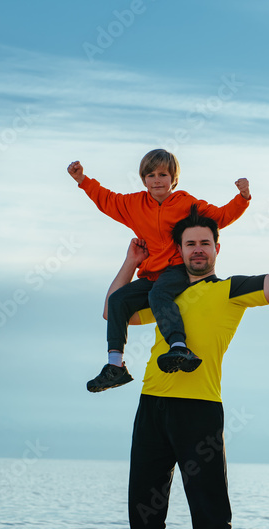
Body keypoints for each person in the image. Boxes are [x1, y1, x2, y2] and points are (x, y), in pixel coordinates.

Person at [96, 205, 269, 529]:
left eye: (205, 243)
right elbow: (112, 311)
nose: (198, 250)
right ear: (179, 249)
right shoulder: (162, 295)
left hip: (200, 411)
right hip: (152, 404)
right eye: (190, 243)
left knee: (210, 508)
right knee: (144, 505)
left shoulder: (231, 289)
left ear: (217, 248)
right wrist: (131, 263)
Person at [67, 149, 250, 393]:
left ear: (173, 179)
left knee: (159, 294)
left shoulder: (187, 203)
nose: (156, 180)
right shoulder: (134, 205)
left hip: (177, 270)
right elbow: (107, 200)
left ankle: (178, 346)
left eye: (163, 174)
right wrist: (82, 180)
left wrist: (243, 197)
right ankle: (115, 365)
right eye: (151, 175)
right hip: (151, 274)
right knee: (117, 300)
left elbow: (220, 217)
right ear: (143, 179)